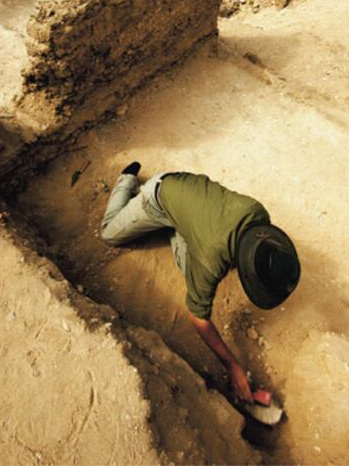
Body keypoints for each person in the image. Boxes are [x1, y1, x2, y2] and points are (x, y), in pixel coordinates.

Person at [101, 162, 300, 403]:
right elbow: (198, 318)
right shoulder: (211, 258)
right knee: (110, 234)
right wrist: (233, 366)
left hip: (190, 190)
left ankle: (177, 225)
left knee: (188, 266)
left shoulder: (259, 216)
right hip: (159, 196)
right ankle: (127, 181)